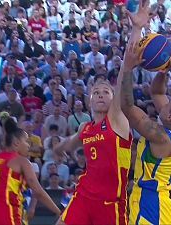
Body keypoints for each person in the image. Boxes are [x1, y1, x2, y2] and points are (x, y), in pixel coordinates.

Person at [119, 3, 171, 225]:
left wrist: (127, 68)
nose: (162, 103)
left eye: (167, 105)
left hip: (150, 205)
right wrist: (165, 69)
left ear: (170, 116)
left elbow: (127, 107)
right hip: (159, 202)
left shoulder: (161, 136)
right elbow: (157, 91)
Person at [55, 36, 132, 225]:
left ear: (112, 98)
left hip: (110, 202)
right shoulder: (85, 128)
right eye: (96, 92)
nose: (100, 95)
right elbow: (69, 144)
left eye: (106, 92)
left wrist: (127, 61)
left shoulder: (116, 121)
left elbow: (121, 85)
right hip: (85, 194)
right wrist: (59, 149)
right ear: (90, 100)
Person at [0, 117, 60, 225]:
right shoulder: (21, 161)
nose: (29, 145)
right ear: (17, 143)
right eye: (26, 141)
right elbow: (38, 191)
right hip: (6, 215)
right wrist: (58, 211)